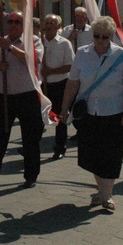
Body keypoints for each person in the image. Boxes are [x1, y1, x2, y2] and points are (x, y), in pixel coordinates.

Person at [59, 16, 123, 212]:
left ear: (111, 36)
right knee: (92, 154)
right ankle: (102, 191)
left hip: (114, 112)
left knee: (111, 154)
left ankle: (106, 195)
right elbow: (73, 83)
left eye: (105, 36)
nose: (100, 40)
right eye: (96, 36)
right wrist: (64, 108)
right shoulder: (82, 53)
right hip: (88, 112)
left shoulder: (122, 56)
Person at [0, 10, 44, 190]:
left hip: (27, 96)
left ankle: (30, 175)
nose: (13, 25)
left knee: (29, 139)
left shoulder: (33, 40)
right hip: (5, 97)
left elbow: (31, 61)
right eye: (10, 21)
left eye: (17, 22)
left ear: (24, 25)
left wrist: (11, 49)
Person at [41, 14, 74, 160]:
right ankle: (31, 146)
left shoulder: (65, 43)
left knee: (59, 118)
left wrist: (51, 71)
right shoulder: (38, 41)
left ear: (58, 26)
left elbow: (69, 66)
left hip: (60, 85)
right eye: (46, 22)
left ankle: (60, 148)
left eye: (52, 23)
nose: (48, 25)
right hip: (42, 85)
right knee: (37, 117)